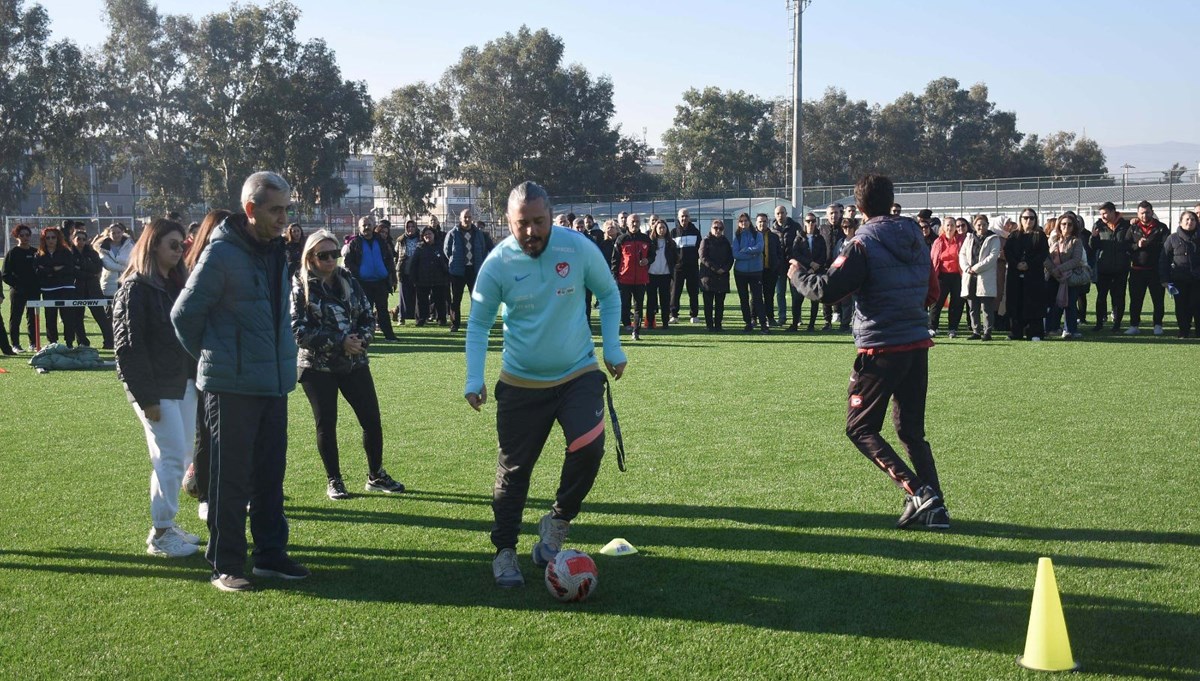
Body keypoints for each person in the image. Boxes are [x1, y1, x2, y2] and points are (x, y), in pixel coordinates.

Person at [463, 181, 626, 588]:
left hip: (578, 372)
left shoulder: (577, 248)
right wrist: (473, 377)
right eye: (523, 224)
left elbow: (608, 293)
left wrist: (612, 346)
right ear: (508, 222)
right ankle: (504, 551)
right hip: (520, 382)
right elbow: (479, 323)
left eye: (539, 222)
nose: (532, 231)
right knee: (514, 471)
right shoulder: (497, 263)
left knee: (589, 448)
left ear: (551, 217)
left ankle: (557, 521)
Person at [171, 171, 307, 593]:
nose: (284, 218)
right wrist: (219, 361)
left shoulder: (274, 253)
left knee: (270, 474)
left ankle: (269, 554)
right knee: (229, 481)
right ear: (251, 210)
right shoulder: (221, 254)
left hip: (273, 383)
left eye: (287, 208)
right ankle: (226, 563)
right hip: (230, 389)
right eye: (276, 210)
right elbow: (183, 316)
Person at [788, 173, 948, 530]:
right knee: (911, 432)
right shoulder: (916, 238)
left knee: (859, 427)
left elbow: (828, 290)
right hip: (917, 344)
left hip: (881, 348)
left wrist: (796, 275)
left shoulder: (862, 243)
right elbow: (933, 291)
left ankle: (920, 492)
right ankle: (936, 508)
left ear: (859, 208)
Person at [292, 230, 404, 500]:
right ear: (311, 257)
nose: (331, 259)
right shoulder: (300, 286)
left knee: (371, 420)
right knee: (326, 424)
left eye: (335, 254)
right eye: (323, 255)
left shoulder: (349, 280)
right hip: (317, 368)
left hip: (355, 362)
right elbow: (298, 330)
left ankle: (376, 475)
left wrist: (360, 341)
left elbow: (368, 315)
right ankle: (335, 480)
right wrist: (340, 341)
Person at [113, 218, 202, 558]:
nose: (180, 251)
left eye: (183, 245)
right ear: (153, 246)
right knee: (170, 459)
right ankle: (161, 533)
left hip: (181, 382)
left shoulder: (172, 284)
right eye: (174, 245)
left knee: (178, 457)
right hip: (156, 388)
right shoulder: (135, 287)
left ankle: (167, 525)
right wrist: (146, 397)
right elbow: (127, 348)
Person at [179, 209, 231, 523]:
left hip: (235, 359)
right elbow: (183, 317)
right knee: (207, 431)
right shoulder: (195, 267)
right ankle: (207, 494)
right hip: (204, 360)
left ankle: (240, 492)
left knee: (239, 434)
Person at [343, 216, 397, 340]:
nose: (367, 227)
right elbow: (348, 262)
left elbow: (389, 259)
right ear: (359, 227)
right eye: (364, 225)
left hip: (381, 283)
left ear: (373, 226)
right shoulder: (354, 243)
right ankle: (362, 336)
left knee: (383, 310)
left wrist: (389, 275)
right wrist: (359, 273)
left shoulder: (382, 241)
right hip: (363, 284)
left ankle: (389, 335)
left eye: (369, 225)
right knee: (364, 311)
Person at [444, 208, 494, 333]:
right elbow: (447, 251)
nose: (467, 219)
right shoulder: (452, 233)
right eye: (465, 217)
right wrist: (455, 261)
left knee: (476, 299)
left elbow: (483, 250)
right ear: (460, 219)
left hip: (474, 270)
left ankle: (475, 324)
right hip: (458, 271)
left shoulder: (478, 233)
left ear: (472, 218)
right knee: (456, 299)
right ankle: (455, 324)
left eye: (469, 217)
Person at [1123, 200, 1169, 335]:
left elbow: (1166, 248)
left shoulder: (1161, 227)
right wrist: (1137, 245)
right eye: (1142, 213)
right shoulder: (1132, 228)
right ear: (1138, 214)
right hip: (1137, 271)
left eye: (1147, 212)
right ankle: (1134, 325)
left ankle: (1158, 325)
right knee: (1135, 300)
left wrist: (1150, 244)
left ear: (1152, 212)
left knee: (1158, 300)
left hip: (1155, 271)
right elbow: (1125, 247)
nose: (1145, 215)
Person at [1003, 209, 1050, 341]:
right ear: (1020, 219)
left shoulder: (1040, 236)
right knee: (1015, 303)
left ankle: (1035, 332)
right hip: (1015, 275)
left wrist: (1028, 264)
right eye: (1025, 218)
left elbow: (1043, 254)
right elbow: (1008, 252)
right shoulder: (1013, 236)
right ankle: (1016, 332)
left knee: (1034, 304)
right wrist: (1016, 264)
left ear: (1035, 220)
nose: (1028, 221)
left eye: (1031, 218)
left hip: (1034, 276)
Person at [1044, 213, 1089, 340]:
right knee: (1052, 304)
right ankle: (1051, 328)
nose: (1066, 227)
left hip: (1069, 278)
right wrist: (1053, 270)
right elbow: (1046, 257)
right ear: (1059, 225)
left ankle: (1070, 330)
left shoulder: (1076, 241)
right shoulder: (1052, 240)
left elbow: (1076, 260)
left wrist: (1059, 269)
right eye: (1064, 224)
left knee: (1070, 305)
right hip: (1053, 278)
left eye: (1070, 224)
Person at [1089, 202, 1132, 332]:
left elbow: (1130, 243)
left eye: (1105, 213)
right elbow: (1093, 246)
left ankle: (1117, 324)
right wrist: (1093, 237)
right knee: (1101, 297)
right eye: (1101, 214)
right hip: (1104, 268)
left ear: (1113, 212)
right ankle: (1099, 323)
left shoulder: (1126, 225)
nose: (1103, 216)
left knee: (1118, 297)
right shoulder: (1098, 226)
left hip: (1121, 268)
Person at [611, 212, 653, 340]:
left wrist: (648, 260)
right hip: (624, 279)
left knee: (638, 306)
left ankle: (636, 330)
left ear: (640, 223)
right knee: (625, 304)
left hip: (640, 279)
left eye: (637, 221)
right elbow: (615, 260)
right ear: (627, 224)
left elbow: (652, 255)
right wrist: (615, 276)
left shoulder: (646, 239)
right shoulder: (621, 239)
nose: (635, 224)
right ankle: (627, 325)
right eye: (632, 222)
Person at [35, 225, 78, 346]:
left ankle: (69, 342)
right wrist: (55, 269)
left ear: (58, 238)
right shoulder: (39, 254)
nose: (50, 240)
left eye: (53, 237)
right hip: (48, 289)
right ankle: (52, 342)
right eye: (47, 238)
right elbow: (38, 271)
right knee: (50, 317)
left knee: (68, 316)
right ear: (44, 239)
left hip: (66, 288)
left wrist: (49, 270)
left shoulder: (66, 252)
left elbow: (69, 269)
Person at [959, 214, 1000, 340]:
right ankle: (976, 331)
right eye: (978, 225)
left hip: (985, 277)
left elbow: (992, 258)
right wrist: (967, 268)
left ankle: (987, 332)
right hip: (970, 277)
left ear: (988, 225)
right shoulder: (969, 237)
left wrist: (975, 268)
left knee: (986, 307)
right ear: (974, 226)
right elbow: (962, 254)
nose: (981, 227)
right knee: (972, 307)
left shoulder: (994, 239)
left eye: (983, 225)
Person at [70, 228, 112, 348]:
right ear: (73, 240)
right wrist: (89, 273)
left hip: (93, 289)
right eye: (79, 239)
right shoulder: (69, 254)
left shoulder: (92, 253)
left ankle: (109, 341)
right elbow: (73, 271)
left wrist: (82, 268)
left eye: (84, 239)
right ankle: (83, 342)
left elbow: (97, 268)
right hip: (77, 288)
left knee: (101, 316)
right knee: (78, 317)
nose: (81, 241)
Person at [1160, 210, 1200, 338]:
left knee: (1197, 305)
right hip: (1179, 278)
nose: (1190, 222)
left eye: (1193, 219)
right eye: (1187, 219)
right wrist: (1164, 279)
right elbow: (1164, 260)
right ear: (1181, 222)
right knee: (1182, 307)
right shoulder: (1172, 238)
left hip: (1197, 279)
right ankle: (1184, 331)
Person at [4, 224, 39, 352]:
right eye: (21, 235)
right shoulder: (12, 253)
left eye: (27, 235)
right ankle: (15, 345)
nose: (25, 238)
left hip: (33, 291)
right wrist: (17, 285)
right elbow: (5, 274)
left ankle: (33, 343)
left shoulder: (35, 252)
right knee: (16, 317)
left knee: (33, 317)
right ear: (16, 237)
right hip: (18, 291)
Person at [928, 218, 965, 338]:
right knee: (936, 302)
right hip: (942, 276)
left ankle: (953, 328)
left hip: (957, 276)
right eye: (947, 225)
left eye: (952, 225)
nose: (950, 228)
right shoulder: (938, 241)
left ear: (956, 227)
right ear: (943, 227)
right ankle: (932, 327)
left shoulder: (961, 241)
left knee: (957, 303)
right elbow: (933, 260)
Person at [732, 213, 767, 334]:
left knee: (757, 298)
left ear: (749, 222)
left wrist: (746, 250)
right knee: (744, 299)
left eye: (746, 221)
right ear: (739, 223)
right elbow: (735, 254)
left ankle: (763, 323)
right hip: (740, 272)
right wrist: (752, 255)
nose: (744, 223)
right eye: (741, 221)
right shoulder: (737, 237)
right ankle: (748, 323)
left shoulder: (757, 234)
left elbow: (760, 248)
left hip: (755, 271)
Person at [698, 218, 732, 331]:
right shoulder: (705, 241)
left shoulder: (726, 241)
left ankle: (718, 324)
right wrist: (715, 268)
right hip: (708, 276)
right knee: (708, 303)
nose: (718, 230)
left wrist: (725, 269)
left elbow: (730, 258)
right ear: (711, 228)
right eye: (715, 228)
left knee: (720, 303)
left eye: (720, 228)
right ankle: (709, 325)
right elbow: (703, 257)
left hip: (722, 276)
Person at [411, 226, 450, 326]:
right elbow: (414, 264)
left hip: (439, 278)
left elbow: (446, 261)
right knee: (421, 300)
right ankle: (421, 319)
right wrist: (414, 278)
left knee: (440, 299)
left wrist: (446, 275)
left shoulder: (440, 246)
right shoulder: (419, 248)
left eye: (430, 234)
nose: (428, 236)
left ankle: (441, 318)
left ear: (434, 235)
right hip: (422, 279)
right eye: (425, 234)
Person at [669, 208, 702, 324]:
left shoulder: (696, 231)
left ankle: (694, 315)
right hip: (677, 268)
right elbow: (670, 251)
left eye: (686, 216)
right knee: (675, 292)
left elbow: (700, 249)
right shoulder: (673, 232)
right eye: (682, 216)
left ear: (689, 217)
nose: (684, 218)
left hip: (692, 267)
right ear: (678, 218)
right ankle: (674, 315)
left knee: (693, 292)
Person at [771, 206, 802, 326]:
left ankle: (797, 317)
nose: (780, 215)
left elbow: (801, 243)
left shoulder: (795, 227)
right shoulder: (772, 230)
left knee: (796, 292)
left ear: (786, 213)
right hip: (779, 266)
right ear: (775, 215)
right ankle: (782, 317)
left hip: (793, 265)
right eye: (778, 213)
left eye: (782, 213)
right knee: (780, 293)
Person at [645, 218, 677, 329]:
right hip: (651, 274)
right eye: (659, 228)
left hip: (665, 275)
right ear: (655, 229)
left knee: (665, 300)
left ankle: (665, 322)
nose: (661, 230)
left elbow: (675, 258)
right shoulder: (650, 242)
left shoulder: (671, 243)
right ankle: (649, 322)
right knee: (651, 300)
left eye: (663, 227)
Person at [831, 218, 858, 331]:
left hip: (856, 275)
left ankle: (857, 324)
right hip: (843, 275)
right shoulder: (841, 242)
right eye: (844, 227)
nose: (847, 229)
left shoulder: (857, 241)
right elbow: (835, 258)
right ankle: (845, 323)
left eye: (849, 227)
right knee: (845, 302)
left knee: (856, 303)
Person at [756, 213, 783, 328]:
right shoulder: (752, 236)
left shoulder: (774, 236)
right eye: (760, 221)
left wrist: (776, 266)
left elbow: (779, 253)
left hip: (770, 270)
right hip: (755, 271)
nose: (762, 223)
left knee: (769, 295)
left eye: (764, 221)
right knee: (756, 295)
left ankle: (770, 318)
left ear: (768, 222)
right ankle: (754, 318)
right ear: (756, 223)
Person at [394, 219, 421, 324]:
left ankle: (418, 317)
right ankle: (401, 317)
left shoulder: (420, 238)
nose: (410, 229)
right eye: (408, 227)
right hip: (403, 271)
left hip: (417, 271)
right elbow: (396, 253)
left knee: (418, 295)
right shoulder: (400, 240)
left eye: (412, 227)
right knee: (403, 296)